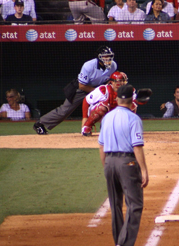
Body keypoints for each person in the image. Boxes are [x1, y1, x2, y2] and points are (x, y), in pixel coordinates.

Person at [99, 84, 148, 246]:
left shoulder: (107, 117)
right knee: (135, 205)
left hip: (109, 162)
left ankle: (119, 241)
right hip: (127, 163)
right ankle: (124, 243)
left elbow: (101, 145)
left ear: (117, 99)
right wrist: (143, 170)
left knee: (115, 205)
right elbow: (137, 146)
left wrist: (106, 166)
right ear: (131, 100)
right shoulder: (133, 118)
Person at [33, 46, 118, 135]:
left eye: (109, 56)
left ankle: (104, 128)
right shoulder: (88, 66)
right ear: (99, 57)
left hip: (98, 89)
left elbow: (109, 80)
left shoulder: (113, 65)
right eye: (105, 56)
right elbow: (82, 86)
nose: (107, 58)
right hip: (82, 89)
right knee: (65, 111)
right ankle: (40, 123)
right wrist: (98, 91)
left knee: (106, 106)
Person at [81, 71, 129, 136]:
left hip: (115, 115)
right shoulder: (103, 90)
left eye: (124, 81)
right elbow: (86, 101)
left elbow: (132, 107)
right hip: (99, 113)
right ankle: (87, 127)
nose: (122, 83)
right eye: (119, 81)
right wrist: (85, 118)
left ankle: (110, 127)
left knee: (131, 106)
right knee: (102, 107)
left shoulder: (129, 91)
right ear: (112, 82)